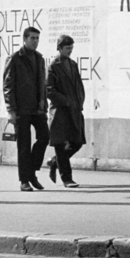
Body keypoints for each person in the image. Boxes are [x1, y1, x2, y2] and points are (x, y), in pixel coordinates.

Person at [3, 26, 49, 192]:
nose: (35, 41)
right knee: (24, 145)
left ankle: (31, 172)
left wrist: (44, 105)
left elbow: (42, 85)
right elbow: (8, 86)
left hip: (38, 109)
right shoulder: (15, 58)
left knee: (44, 137)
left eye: (37, 38)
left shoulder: (39, 58)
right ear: (24, 39)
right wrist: (11, 110)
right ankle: (25, 180)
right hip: (21, 109)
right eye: (32, 38)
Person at [45, 34, 87, 189]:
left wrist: (79, 102)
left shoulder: (73, 64)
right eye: (67, 48)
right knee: (61, 147)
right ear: (60, 48)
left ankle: (54, 162)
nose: (70, 51)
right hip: (59, 112)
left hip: (74, 110)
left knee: (77, 142)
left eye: (71, 48)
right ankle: (67, 179)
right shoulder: (53, 66)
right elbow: (49, 90)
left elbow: (79, 87)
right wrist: (66, 101)